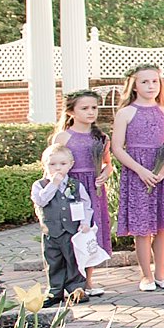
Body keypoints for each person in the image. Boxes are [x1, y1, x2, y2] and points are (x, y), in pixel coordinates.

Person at [112, 64, 164, 291]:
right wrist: (141, 171)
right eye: (144, 82)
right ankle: (146, 276)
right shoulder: (125, 113)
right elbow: (117, 148)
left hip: (162, 173)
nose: (151, 86)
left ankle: (161, 273)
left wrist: (162, 171)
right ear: (134, 86)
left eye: (154, 81)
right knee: (142, 228)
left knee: (162, 226)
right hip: (138, 175)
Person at [53, 89, 111, 296]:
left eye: (94, 108)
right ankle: (71, 281)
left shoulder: (101, 137)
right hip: (71, 189)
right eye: (84, 108)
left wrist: (105, 174)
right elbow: (53, 163)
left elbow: (108, 164)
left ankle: (88, 281)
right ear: (71, 112)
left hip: (94, 190)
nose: (91, 112)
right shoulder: (63, 136)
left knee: (89, 231)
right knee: (71, 231)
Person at [31, 143, 95, 305]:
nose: (57, 168)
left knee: (73, 259)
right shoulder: (40, 185)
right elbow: (41, 201)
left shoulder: (75, 185)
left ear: (70, 165)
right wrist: (53, 184)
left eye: (62, 164)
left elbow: (85, 205)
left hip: (72, 231)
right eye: (52, 164)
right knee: (53, 261)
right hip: (51, 232)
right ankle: (55, 291)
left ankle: (76, 289)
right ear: (44, 165)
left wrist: (85, 222)